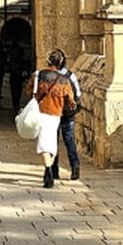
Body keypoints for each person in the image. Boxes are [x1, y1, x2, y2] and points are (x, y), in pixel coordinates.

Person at [32, 50, 76, 188]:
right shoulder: (64, 80)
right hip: (56, 114)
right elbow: (71, 100)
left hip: (42, 112)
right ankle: (49, 169)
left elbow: (30, 91)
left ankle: (48, 171)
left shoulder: (39, 75)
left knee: (44, 143)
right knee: (51, 143)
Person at [50, 49, 81, 181]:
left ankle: (54, 170)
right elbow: (78, 93)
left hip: (52, 111)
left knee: (53, 141)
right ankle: (75, 166)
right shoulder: (70, 75)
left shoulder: (47, 76)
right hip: (68, 112)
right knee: (69, 139)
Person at [6, 39, 27, 112]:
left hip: (16, 74)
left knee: (15, 90)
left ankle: (15, 103)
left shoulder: (16, 60)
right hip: (17, 75)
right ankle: (16, 103)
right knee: (17, 90)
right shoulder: (19, 60)